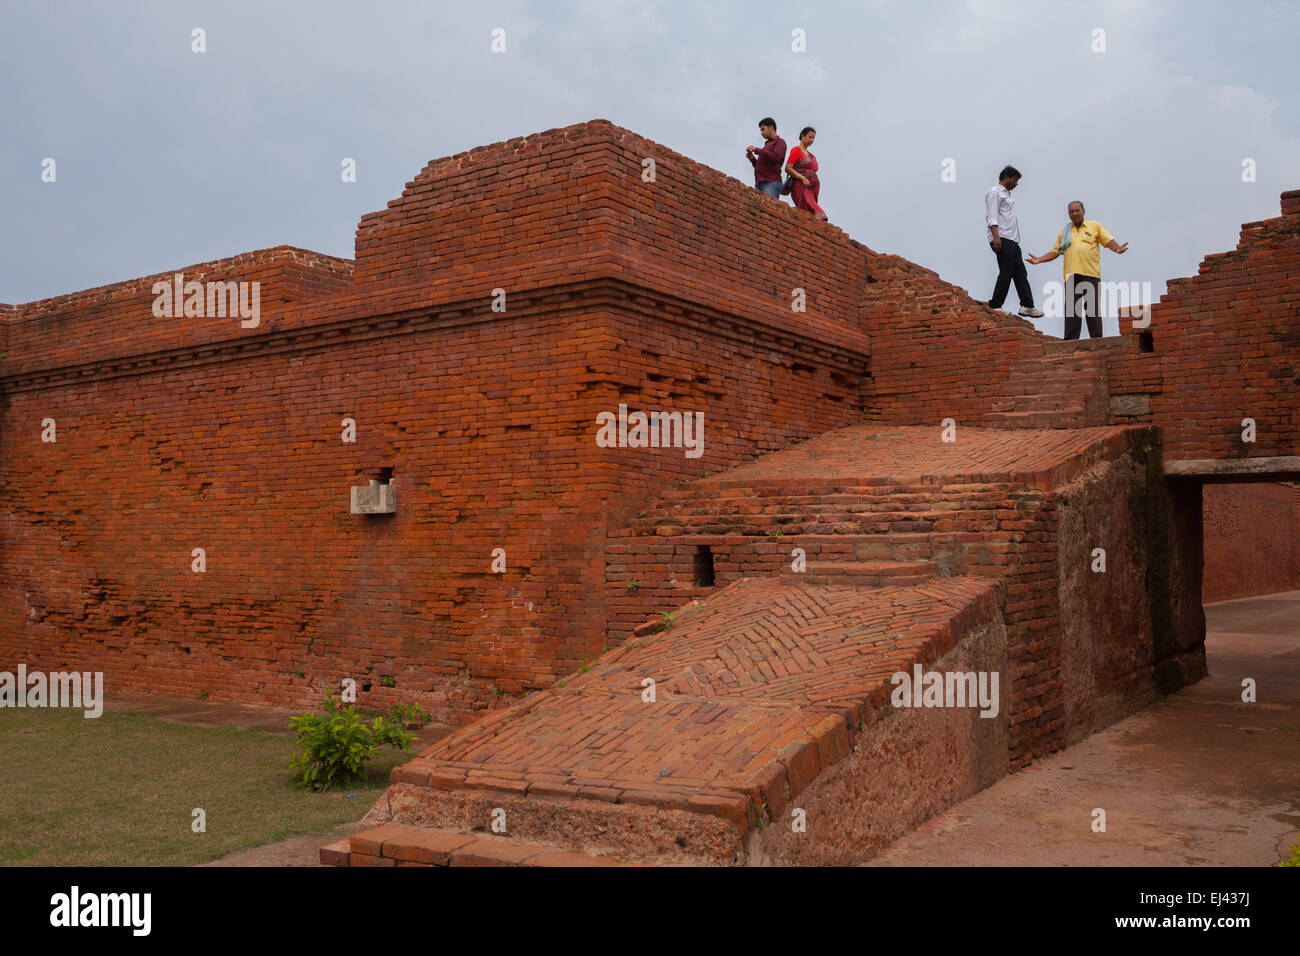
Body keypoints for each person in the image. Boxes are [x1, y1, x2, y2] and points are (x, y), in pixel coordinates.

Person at [1027, 201, 1129, 339]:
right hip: (1071, 275)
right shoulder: (1065, 231)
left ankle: (1097, 340)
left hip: (1090, 273)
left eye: (1077, 210)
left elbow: (1108, 240)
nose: (1074, 213)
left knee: (1092, 309)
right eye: (1071, 212)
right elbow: (1056, 251)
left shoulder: (1094, 226)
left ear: (1083, 211)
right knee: (1072, 311)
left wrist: (1117, 248)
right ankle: (1070, 341)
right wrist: (1039, 260)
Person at [985, 166, 1044, 318]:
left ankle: (1027, 305)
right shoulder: (995, 192)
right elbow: (992, 216)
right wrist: (996, 238)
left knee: (1020, 272)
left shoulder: (1007, 194)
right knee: (1007, 271)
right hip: (1002, 238)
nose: (1017, 184)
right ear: (1007, 177)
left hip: (1012, 239)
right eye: (1015, 180)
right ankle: (995, 305)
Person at [784, 127, 827, 221]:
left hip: (813, 187)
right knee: (808, 205)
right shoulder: (796, 150)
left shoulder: (811, 155)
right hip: (801, 185)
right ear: (803, 136)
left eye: (813, 138)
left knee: (811, 210)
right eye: (810, 137)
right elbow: (788, 168)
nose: (812, 140)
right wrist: (802, 178)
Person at [745, 118, 787, 199]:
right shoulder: (767, 144)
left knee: (770, 210)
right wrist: (752, 159)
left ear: (771, 127)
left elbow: (776, 157)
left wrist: (757, 150)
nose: (761, 132)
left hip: (771, 182)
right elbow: (762, 166)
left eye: (763, 129)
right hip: (759, 182)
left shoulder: (780, 142)